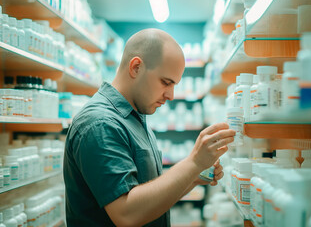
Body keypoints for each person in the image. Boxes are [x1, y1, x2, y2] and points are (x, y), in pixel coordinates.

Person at [63, 29, 235, 227]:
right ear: (136, 67)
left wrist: (192, 178)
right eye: (166, 82)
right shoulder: (100, 124)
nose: (170, 95)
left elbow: (148, 196)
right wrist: (194, 162)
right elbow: (126, 214)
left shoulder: (134, 117)